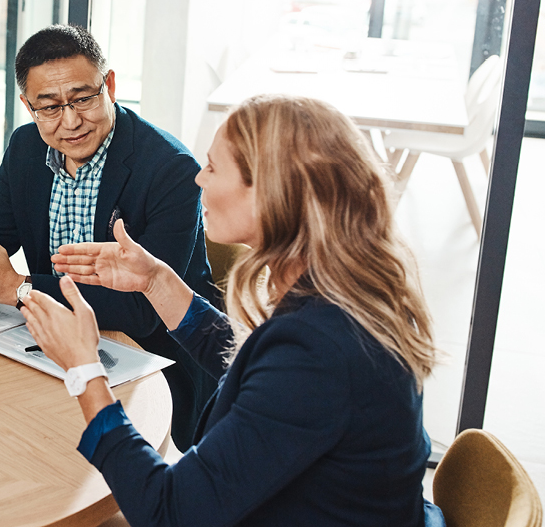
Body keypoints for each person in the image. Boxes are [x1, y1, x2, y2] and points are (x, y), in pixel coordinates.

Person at [22, 94, 444, 526]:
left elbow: (169, 513)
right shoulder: (340, 292)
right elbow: (260, 369)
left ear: (271, 192)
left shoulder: (320, 350)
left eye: (212, 167)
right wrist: (156, 281)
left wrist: (84, 371)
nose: (198, 178)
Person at [0, 24, 218, 451]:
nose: (70, 122)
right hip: (44, 349)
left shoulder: (171, 169)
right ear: (28, 105)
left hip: (149, 362)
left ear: (109, 85)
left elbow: (143, 311)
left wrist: (18, 289)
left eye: (83, 99)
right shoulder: (26, 147)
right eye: (49, 107)